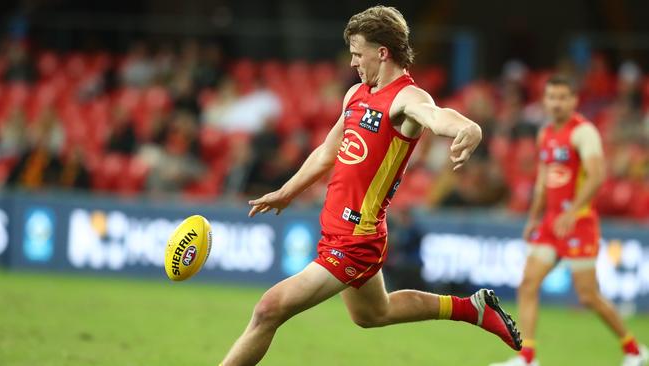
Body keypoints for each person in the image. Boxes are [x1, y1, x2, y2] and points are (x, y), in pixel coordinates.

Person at [220, 6, 522, 365]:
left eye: (357, 53)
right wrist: (287, 191)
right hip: (335, 229)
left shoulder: (406, 98)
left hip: (356, 239)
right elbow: (326, 152)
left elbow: (436, 116)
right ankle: (471, 309)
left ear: (382, 52)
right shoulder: (356, 95)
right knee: (372, 314)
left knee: (268, 309)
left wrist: (470, 128)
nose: (352, 63)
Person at [490, 75, 648, 366]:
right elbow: (542, 181)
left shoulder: (583, 132)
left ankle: (633, 349)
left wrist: (573, 211)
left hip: (579, 223)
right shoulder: (545, 133)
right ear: (545, 100)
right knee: (528, 283)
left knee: (588, 296)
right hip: (551, 223)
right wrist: (534, 217)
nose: (556, 103)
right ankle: (527, 357)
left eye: (563, 97)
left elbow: (598, 175)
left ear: (574, 100)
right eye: (552, 97)